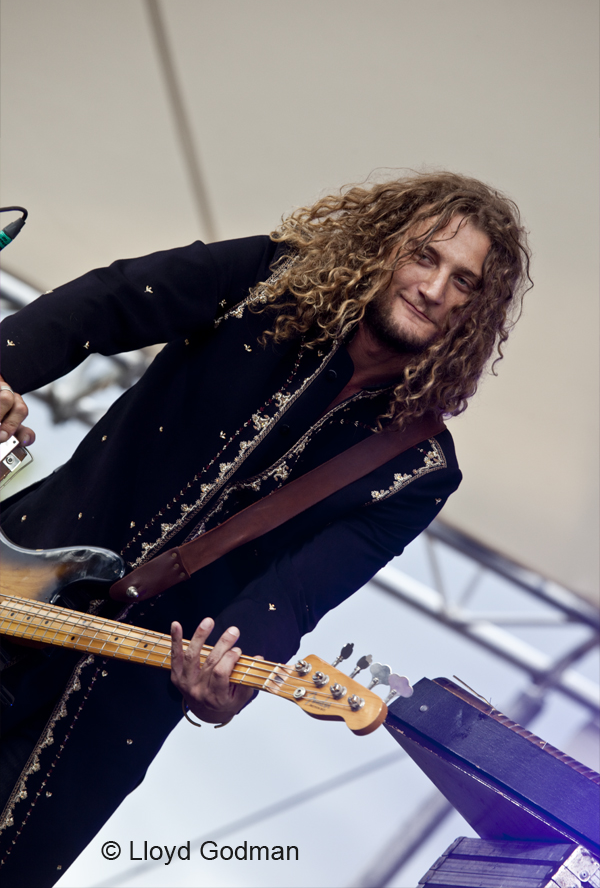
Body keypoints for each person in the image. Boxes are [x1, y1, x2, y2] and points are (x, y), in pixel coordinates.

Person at [0, 171, 530, 885]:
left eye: (464, 282)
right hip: (21, 567)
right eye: (424, 256)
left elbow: (295, 594)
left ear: (479, 310)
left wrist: (230, 683)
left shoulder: (421, 468)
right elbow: (111, 300)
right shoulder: (268, 280)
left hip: (108, 710)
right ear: (383, 246)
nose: (434, 289)